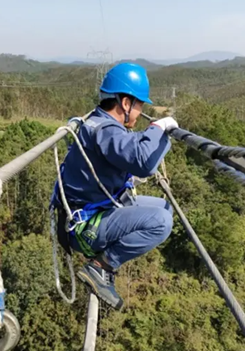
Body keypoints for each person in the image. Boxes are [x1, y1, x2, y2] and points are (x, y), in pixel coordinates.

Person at [51, 62, 179, 310]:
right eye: (140, 105)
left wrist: (157, 136)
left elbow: (130, 151)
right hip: (87, 226)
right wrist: (158, 128)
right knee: (161, 223)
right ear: (125, 102)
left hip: (93, 212)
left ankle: (104, 258)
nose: (141, 112)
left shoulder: (97, 122)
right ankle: (101, 266)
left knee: (164, 207)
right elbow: (144, 163)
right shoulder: (106, 131)